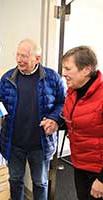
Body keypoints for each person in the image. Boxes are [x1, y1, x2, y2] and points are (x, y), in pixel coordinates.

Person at [0, 38, 65, 200]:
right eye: (17, 55)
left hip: (41, 144)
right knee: (15, 180)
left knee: (40, 183)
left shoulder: (52, 78)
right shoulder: (8, 77)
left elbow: (63, 103)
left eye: (24, 56)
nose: (19, 59)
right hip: (13, 143)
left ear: (37, 58)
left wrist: (53, 119)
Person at [60, 46, 103, 200]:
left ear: (86, 70)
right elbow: (73, 119)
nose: (63, 73)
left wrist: (102, 179)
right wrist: (56, 124)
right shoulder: (73, 91)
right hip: (79, 163)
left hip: (98, 170)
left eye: (67, 68)